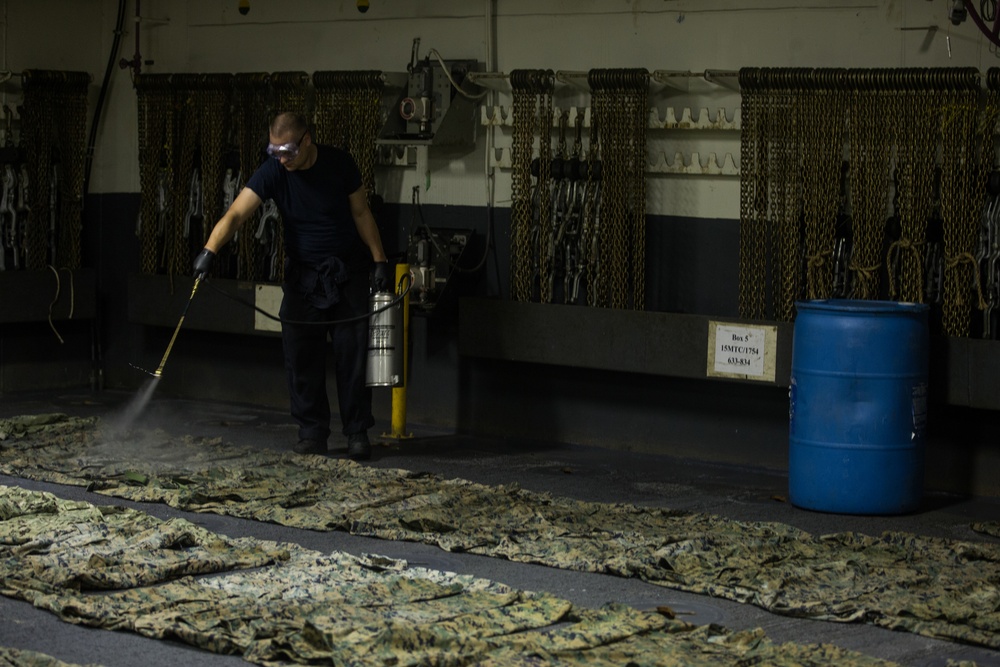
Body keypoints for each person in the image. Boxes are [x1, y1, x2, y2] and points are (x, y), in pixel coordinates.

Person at [192, 111, 390, 460]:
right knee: (300, 354)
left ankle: (357, 431)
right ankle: (312, 432)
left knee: (352, 356)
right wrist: (209, 250)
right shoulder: (274, 171)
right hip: (303, 277)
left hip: (346, 273)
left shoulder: (340, 164)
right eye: (274, 152)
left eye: (287, 151)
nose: (281, 159)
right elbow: (237, 213)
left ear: (306, 141)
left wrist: (378, 260)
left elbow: (361, 213)